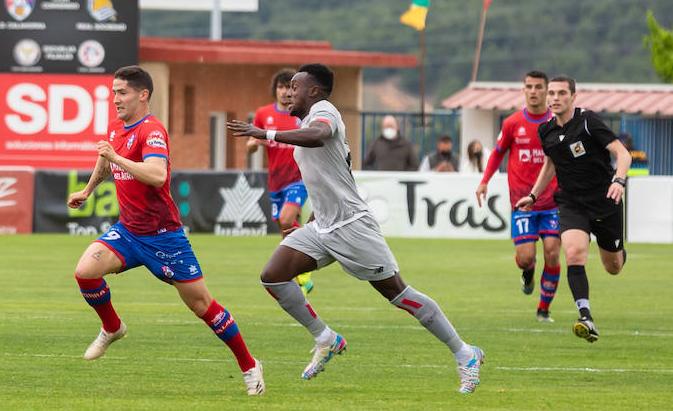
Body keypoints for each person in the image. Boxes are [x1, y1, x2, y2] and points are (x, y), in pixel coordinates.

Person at [228, 63, 484, 393]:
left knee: (399, 294)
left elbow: (319, 136)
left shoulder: (325, 112)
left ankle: (465, 354)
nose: (289, 92)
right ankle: (326, 338)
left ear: (314, 91)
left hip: (353, 226)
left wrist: (266, 133)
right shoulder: (306, 120)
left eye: (295, 86)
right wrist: (311, 221)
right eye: (288, 86)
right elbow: (328, 178)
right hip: (322, 225)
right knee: (273, 275)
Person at [69, 65, 264, 395]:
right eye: (113, 92)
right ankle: (113, 328)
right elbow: (106, 161)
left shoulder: (152, 130)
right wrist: (88, 191)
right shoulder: (117, 127)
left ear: (143, 95)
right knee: (85, 272)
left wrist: (116, 156)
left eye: (122, 92)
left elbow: (157, 175)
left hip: (164, 237)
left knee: (203, 306)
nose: (115, 98)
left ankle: (249, 365)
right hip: (129, 232)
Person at [517, 75, 631, 343]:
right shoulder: (545, 131)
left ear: (573, 97)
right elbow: (550, 165)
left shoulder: (588, 122)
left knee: (613, 267)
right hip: (570, 202)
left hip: (604, 200)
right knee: (574, 252)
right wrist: (533, 195)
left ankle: (618, 249)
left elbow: (622, 153)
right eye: (552, 94)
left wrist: (619, 181)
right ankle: (586, 316)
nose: (554, 98)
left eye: (561, 93)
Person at [474, 70, 563, 321]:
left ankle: (543, 309)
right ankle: (529, 271)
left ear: (546, 91)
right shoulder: (513, 123)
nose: (533, 91)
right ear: (523, 91)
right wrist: (484, 182)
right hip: (522, 203)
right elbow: (497, 154)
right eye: (528, 87)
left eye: (538, 87)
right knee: (525, 259)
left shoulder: (557, 123)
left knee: (553, 252)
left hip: (553, 201)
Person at [245, 68, 314, 293]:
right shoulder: (264, 114)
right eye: (282, 87)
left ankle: (303, 263)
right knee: (284, 228)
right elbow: (250, 145)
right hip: (276, 181)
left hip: (299, 178)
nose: (286, 92)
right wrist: (255, 144)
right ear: (275, 90)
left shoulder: (303, 115)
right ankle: (303, 272)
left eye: (291, 88)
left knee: (286, 220)